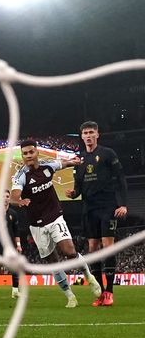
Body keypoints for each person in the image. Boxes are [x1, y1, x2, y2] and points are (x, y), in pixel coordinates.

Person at [11, 140, 100, 308]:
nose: (28, 156)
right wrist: (20, 201)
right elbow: (15, 195)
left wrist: (72, 162)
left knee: (69, 251)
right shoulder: (21, 175)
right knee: (53, 262)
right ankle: (70, 296)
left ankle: (89, 277)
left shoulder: (47, 166)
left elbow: (62, 163)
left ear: (37, 152)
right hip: (36, 224)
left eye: (31, 152)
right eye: (25, 153)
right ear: (22, 156)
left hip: (54, 216)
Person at [66, 121, 128, 306]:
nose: (88, 135)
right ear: (82, 136)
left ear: (97, 134)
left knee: (108, 246)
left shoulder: (108, 153)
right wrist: (73, 194)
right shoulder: (81, 160)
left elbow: (121, 178)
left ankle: (109, 292)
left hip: (108, 206)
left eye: (91, 132)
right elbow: (79, 188)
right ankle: (100, 293)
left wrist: (123, 204)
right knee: (92, 248)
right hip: (89, 208)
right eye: (85, 132)